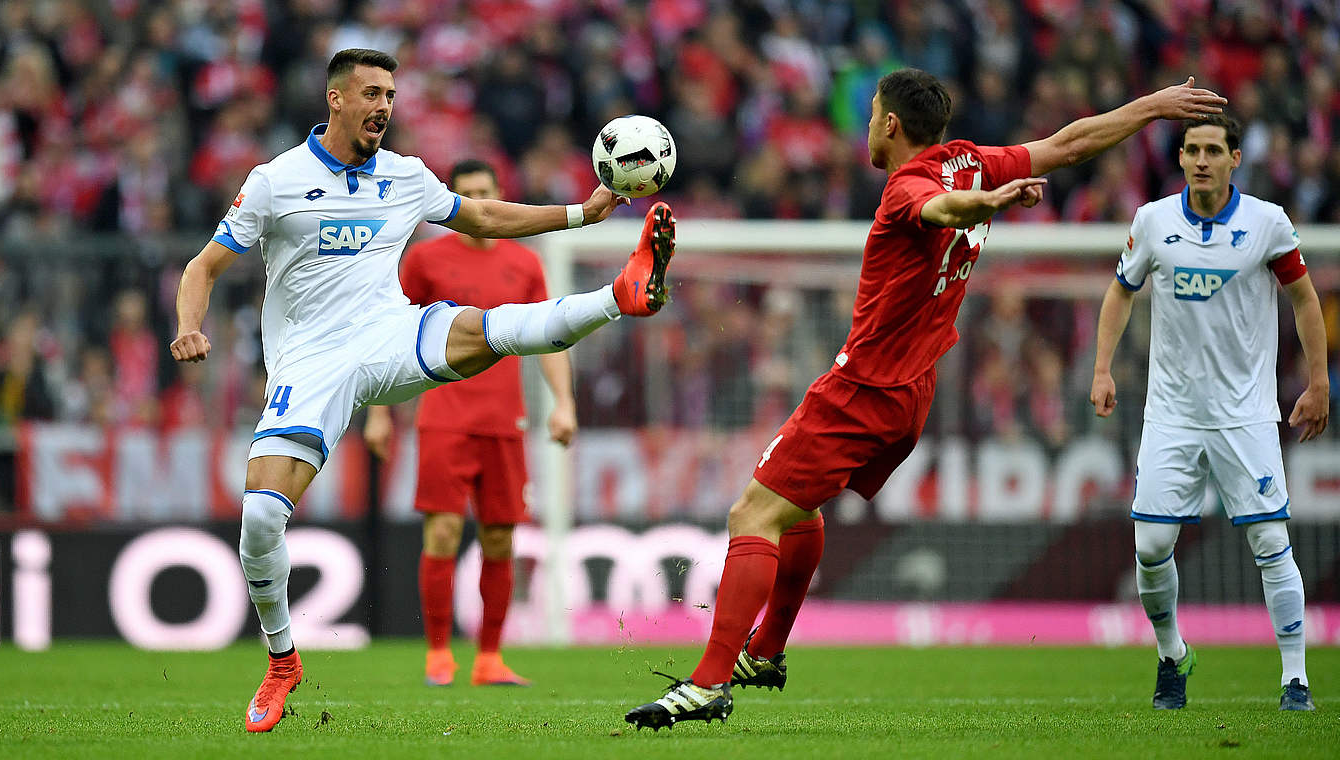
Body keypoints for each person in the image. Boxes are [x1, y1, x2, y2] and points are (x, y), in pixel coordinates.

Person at [623, 68, 1226, 730]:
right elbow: (1070, 143)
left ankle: (708, 684)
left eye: (873, 112)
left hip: (862, 388)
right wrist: (1153, 105)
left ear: (889, 124)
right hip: (911, 393)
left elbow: (939, 210)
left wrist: (986, 205)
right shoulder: (970, 163)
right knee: (797, 510)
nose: (866, 123)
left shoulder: (909, 188)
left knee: (752, 515)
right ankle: (765, 651)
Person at [169, 49, 676, 733]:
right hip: (310, 363)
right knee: (261, 518)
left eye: (391, 95)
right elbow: (202, 267)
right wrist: (188, 327)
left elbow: (485, 220)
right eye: (371, 93)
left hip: (388, 335)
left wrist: (582, 216)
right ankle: (283, 661)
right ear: (336, 100)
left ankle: (621, 293)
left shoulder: (406, 176)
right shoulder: (275, 181)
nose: (384, 106)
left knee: (493, 331)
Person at [1089, 114, 1326, 712]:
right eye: (1192, 149)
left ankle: (1295, 679)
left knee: (1272, 541)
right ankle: (1172, 656)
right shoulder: (1153, 221)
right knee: (1149, 548)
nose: (1200, 159)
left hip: (1245, 414)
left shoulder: (1267, 224)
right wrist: (1100, 367)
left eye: (1212, 150)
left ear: (1235, 158)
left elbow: (1303, 295)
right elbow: (1121, 288)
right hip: (1171, 413)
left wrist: (1319, 379)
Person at [362, 159, 576, 688]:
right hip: (443, 416)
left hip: (505, 421)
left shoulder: (524, 263)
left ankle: (489, 658)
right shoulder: (426, 259)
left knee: (500, 539)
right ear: (452, 204)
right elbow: (388, 333)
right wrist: (379, 411)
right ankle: (439, 654)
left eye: (485, 191)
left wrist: (564, 401)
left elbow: (547, 333)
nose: (478, 200)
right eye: (467, 194)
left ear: (500, 195)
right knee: (443, 530)